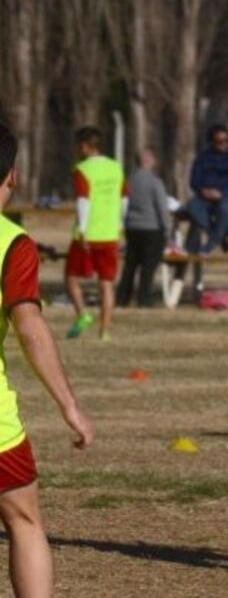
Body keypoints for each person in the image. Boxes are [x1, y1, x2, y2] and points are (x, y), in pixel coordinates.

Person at [0, 122, 95, 597]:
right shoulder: (11, 243)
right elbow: (29, 325)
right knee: (23, 519)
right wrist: (69, 405)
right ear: (11, 176)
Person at [65, 126, 127, 341]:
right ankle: (105, 331)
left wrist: (82, 229)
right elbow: (124, 199)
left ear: (83, 146)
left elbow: (83, 201)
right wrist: (120, 224)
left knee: (71, 278)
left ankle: (83, 314)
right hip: (110, 233)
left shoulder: (82, 170)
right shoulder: (116, 168)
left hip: (88, 233)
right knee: (106, 282)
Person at [117, 150, 170, 308]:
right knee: (148, 266)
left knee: (130, 265)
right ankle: (144, 298)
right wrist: (166, 228)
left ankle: (122, 297)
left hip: (132, 227)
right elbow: (162, 208)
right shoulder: (155, 182)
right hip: (152, 228)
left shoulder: (129, 180)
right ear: (149, 162)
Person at [187, 124, 228, 255]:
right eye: (219, 141)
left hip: (226, 195)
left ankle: (210, 245)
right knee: (193, 207)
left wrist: (223, 193)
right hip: (206, 194)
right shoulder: (203, 157)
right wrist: (203, 190)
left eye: (227, 141)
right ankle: (218, 235)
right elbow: (194, 179)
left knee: (224, 209)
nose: (224, 144)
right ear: (212, 142)